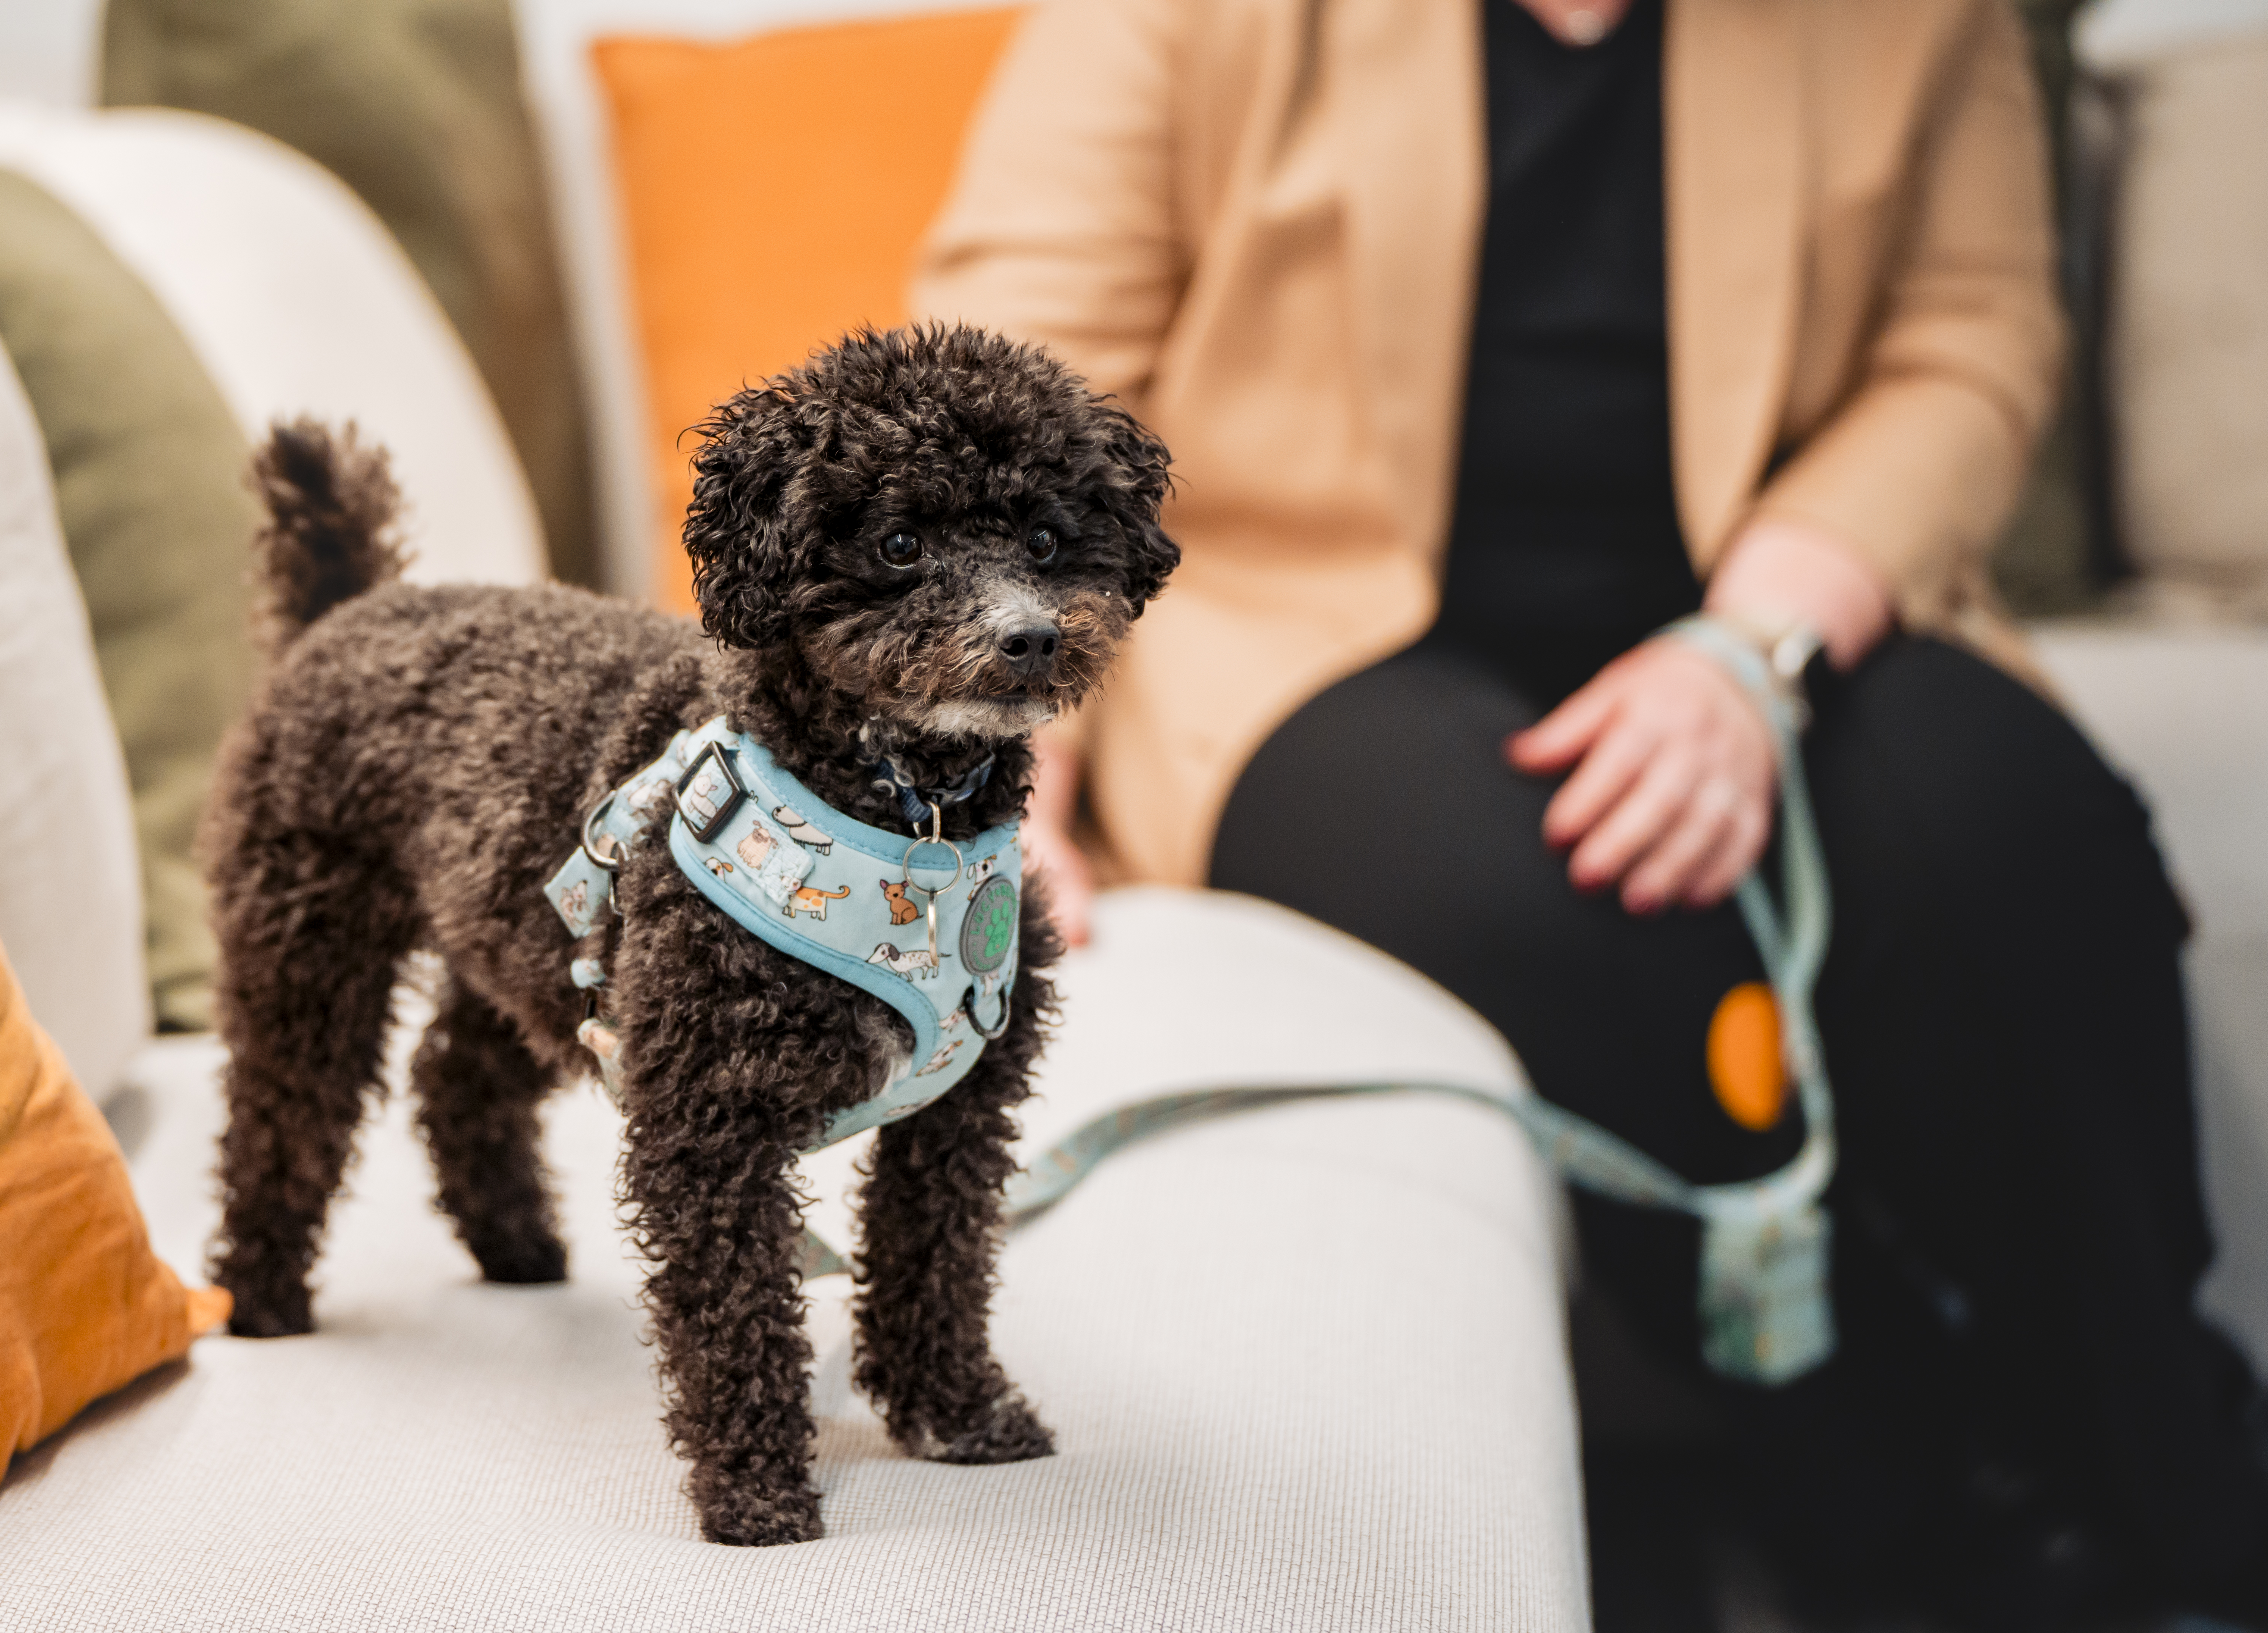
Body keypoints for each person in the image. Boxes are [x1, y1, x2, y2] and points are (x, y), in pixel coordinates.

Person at [914, 0, 2268, 1623]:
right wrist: (992, 754)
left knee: (2020, 855)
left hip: (1766, 588)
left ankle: (2162, 1463)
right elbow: (1016, 372)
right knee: (1575, 910)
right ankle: (1902, 1500)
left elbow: (1969, 342)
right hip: (1310, 622)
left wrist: (1751, 645)